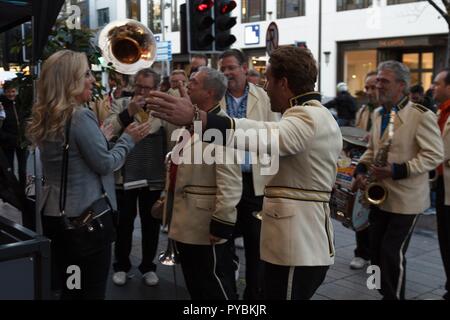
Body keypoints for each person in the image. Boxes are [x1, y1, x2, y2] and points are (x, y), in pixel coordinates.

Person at [147, 46, 343, 300]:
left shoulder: (308, 115)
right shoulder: (307, 114)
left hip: (299, 246)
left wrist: (201, 119)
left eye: (268, 79)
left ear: (283, 83)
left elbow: (267, 136)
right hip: (294, 244)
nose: (264, 85)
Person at [26, 50, 150, 299]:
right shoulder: (80, 116)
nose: (92, 80)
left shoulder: (48, 115)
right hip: (86, 222)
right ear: (69, 80)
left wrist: (101, 138)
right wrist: (128, 140)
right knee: (91, 291)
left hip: (55, 216)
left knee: (71, 284)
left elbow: (69, 156)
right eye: (86, 74)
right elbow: (105, 164)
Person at [352, 61, 443, 300]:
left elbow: (434, 155)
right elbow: (372, 150)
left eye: (384, 81)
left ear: (401, 86)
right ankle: (380, 292)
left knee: (392, 253)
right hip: (379, 195)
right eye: (378, 80)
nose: (378, 85)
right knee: (376, 252)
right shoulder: (378, 112)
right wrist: (361, 169)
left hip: (407, 199)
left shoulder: (421, 115)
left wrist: (398, 170)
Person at [167, 67, 242, 300]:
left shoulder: (221, 127)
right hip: (186, 223)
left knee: (215, 288)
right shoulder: (188, 124)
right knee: (197, 288)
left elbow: (230, 181)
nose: (187, 85)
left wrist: (221, 223)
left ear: (209, 92)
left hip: (205, 226)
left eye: (194, 83)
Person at [218, 49, 279, 299]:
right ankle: (228, 295)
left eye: (231, 67)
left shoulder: (263, 97)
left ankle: (254, 297)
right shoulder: (215, 95)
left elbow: (275, 134)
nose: (227, 73)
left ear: (245, 68)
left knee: (257, 246)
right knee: (224, 242)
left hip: (255, 183)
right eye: (223, 69)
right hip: (222, 181)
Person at [105, 68, 165, 287]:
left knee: (151, 224)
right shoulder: (121, 103)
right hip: (125, 176)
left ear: (156, 88)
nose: (141, 91)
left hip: (153, 176)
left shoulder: (161, 108)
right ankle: (121, 265)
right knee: (124, 224)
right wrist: (127, 112)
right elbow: (108, 129)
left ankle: (148, 266)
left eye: (147, 88)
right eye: (138, 86)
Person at [349, 71, 378, 270]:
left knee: (376, 216)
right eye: (366, 87)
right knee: (361, 209)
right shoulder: (364, 110)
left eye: (372, 87)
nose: (368, 91)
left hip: (380, 168)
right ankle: (361, 252)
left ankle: (374, 254)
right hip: (364, 163)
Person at [431, 67, 450, 300]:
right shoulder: (438, 113)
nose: (433, 87)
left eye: (437, 83)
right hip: (442, 184)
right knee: (445, 239)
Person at [0, 81, 30, 190]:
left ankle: (22, 191)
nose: (11, 94)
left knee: (22, 169)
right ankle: (12, 192)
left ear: (16, 92)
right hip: (8, 142)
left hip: (21, 142)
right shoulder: (1, 105)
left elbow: (24, 120)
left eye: (13, 91)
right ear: (4, 92)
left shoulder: (20, 103)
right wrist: (9, 138)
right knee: (9, 168)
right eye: (8, 92)